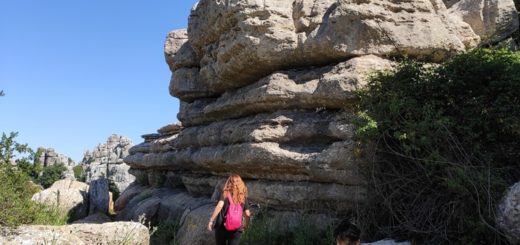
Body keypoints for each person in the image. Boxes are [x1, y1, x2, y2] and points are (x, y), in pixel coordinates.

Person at [207, 174, 251, 245]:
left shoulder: (225, 194)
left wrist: (211, 220)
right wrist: (246, 225)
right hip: (236, 228)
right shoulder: (243, 197)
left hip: (221, 226)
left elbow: (220, 205)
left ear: (229, 183)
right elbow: (247, 213)